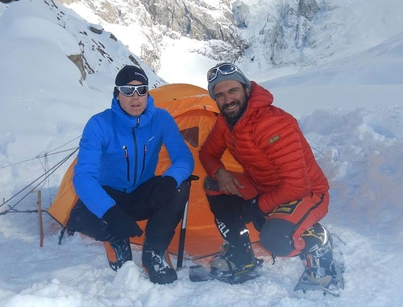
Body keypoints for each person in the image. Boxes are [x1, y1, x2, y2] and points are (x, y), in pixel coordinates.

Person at [199, 62, 339, 287]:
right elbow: (207, 153)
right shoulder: (226, 122)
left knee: (275, 240)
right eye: (220, 95)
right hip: (264, 186)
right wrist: (220, 172)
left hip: (307, 193)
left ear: (246, 89)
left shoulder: (272, 124)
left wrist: (256, 206)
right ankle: (240, 253)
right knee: (214, 184)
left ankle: (318, 243)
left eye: (233, 90)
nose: (227, 100)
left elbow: (297, 186)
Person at [67, 65, 194, 285]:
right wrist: (110, 211)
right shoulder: (99, 124)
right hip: (111, 195)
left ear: (147, 93)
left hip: (142, 193)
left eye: (141, 90)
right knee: (79, 217)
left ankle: (154, 251)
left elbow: (184, 157)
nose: (135, 97)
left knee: (180, 186)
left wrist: (170, 179)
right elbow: (83, 176)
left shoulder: (161, 119)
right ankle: (117, 238)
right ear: (117, 94)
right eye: (127, 90)